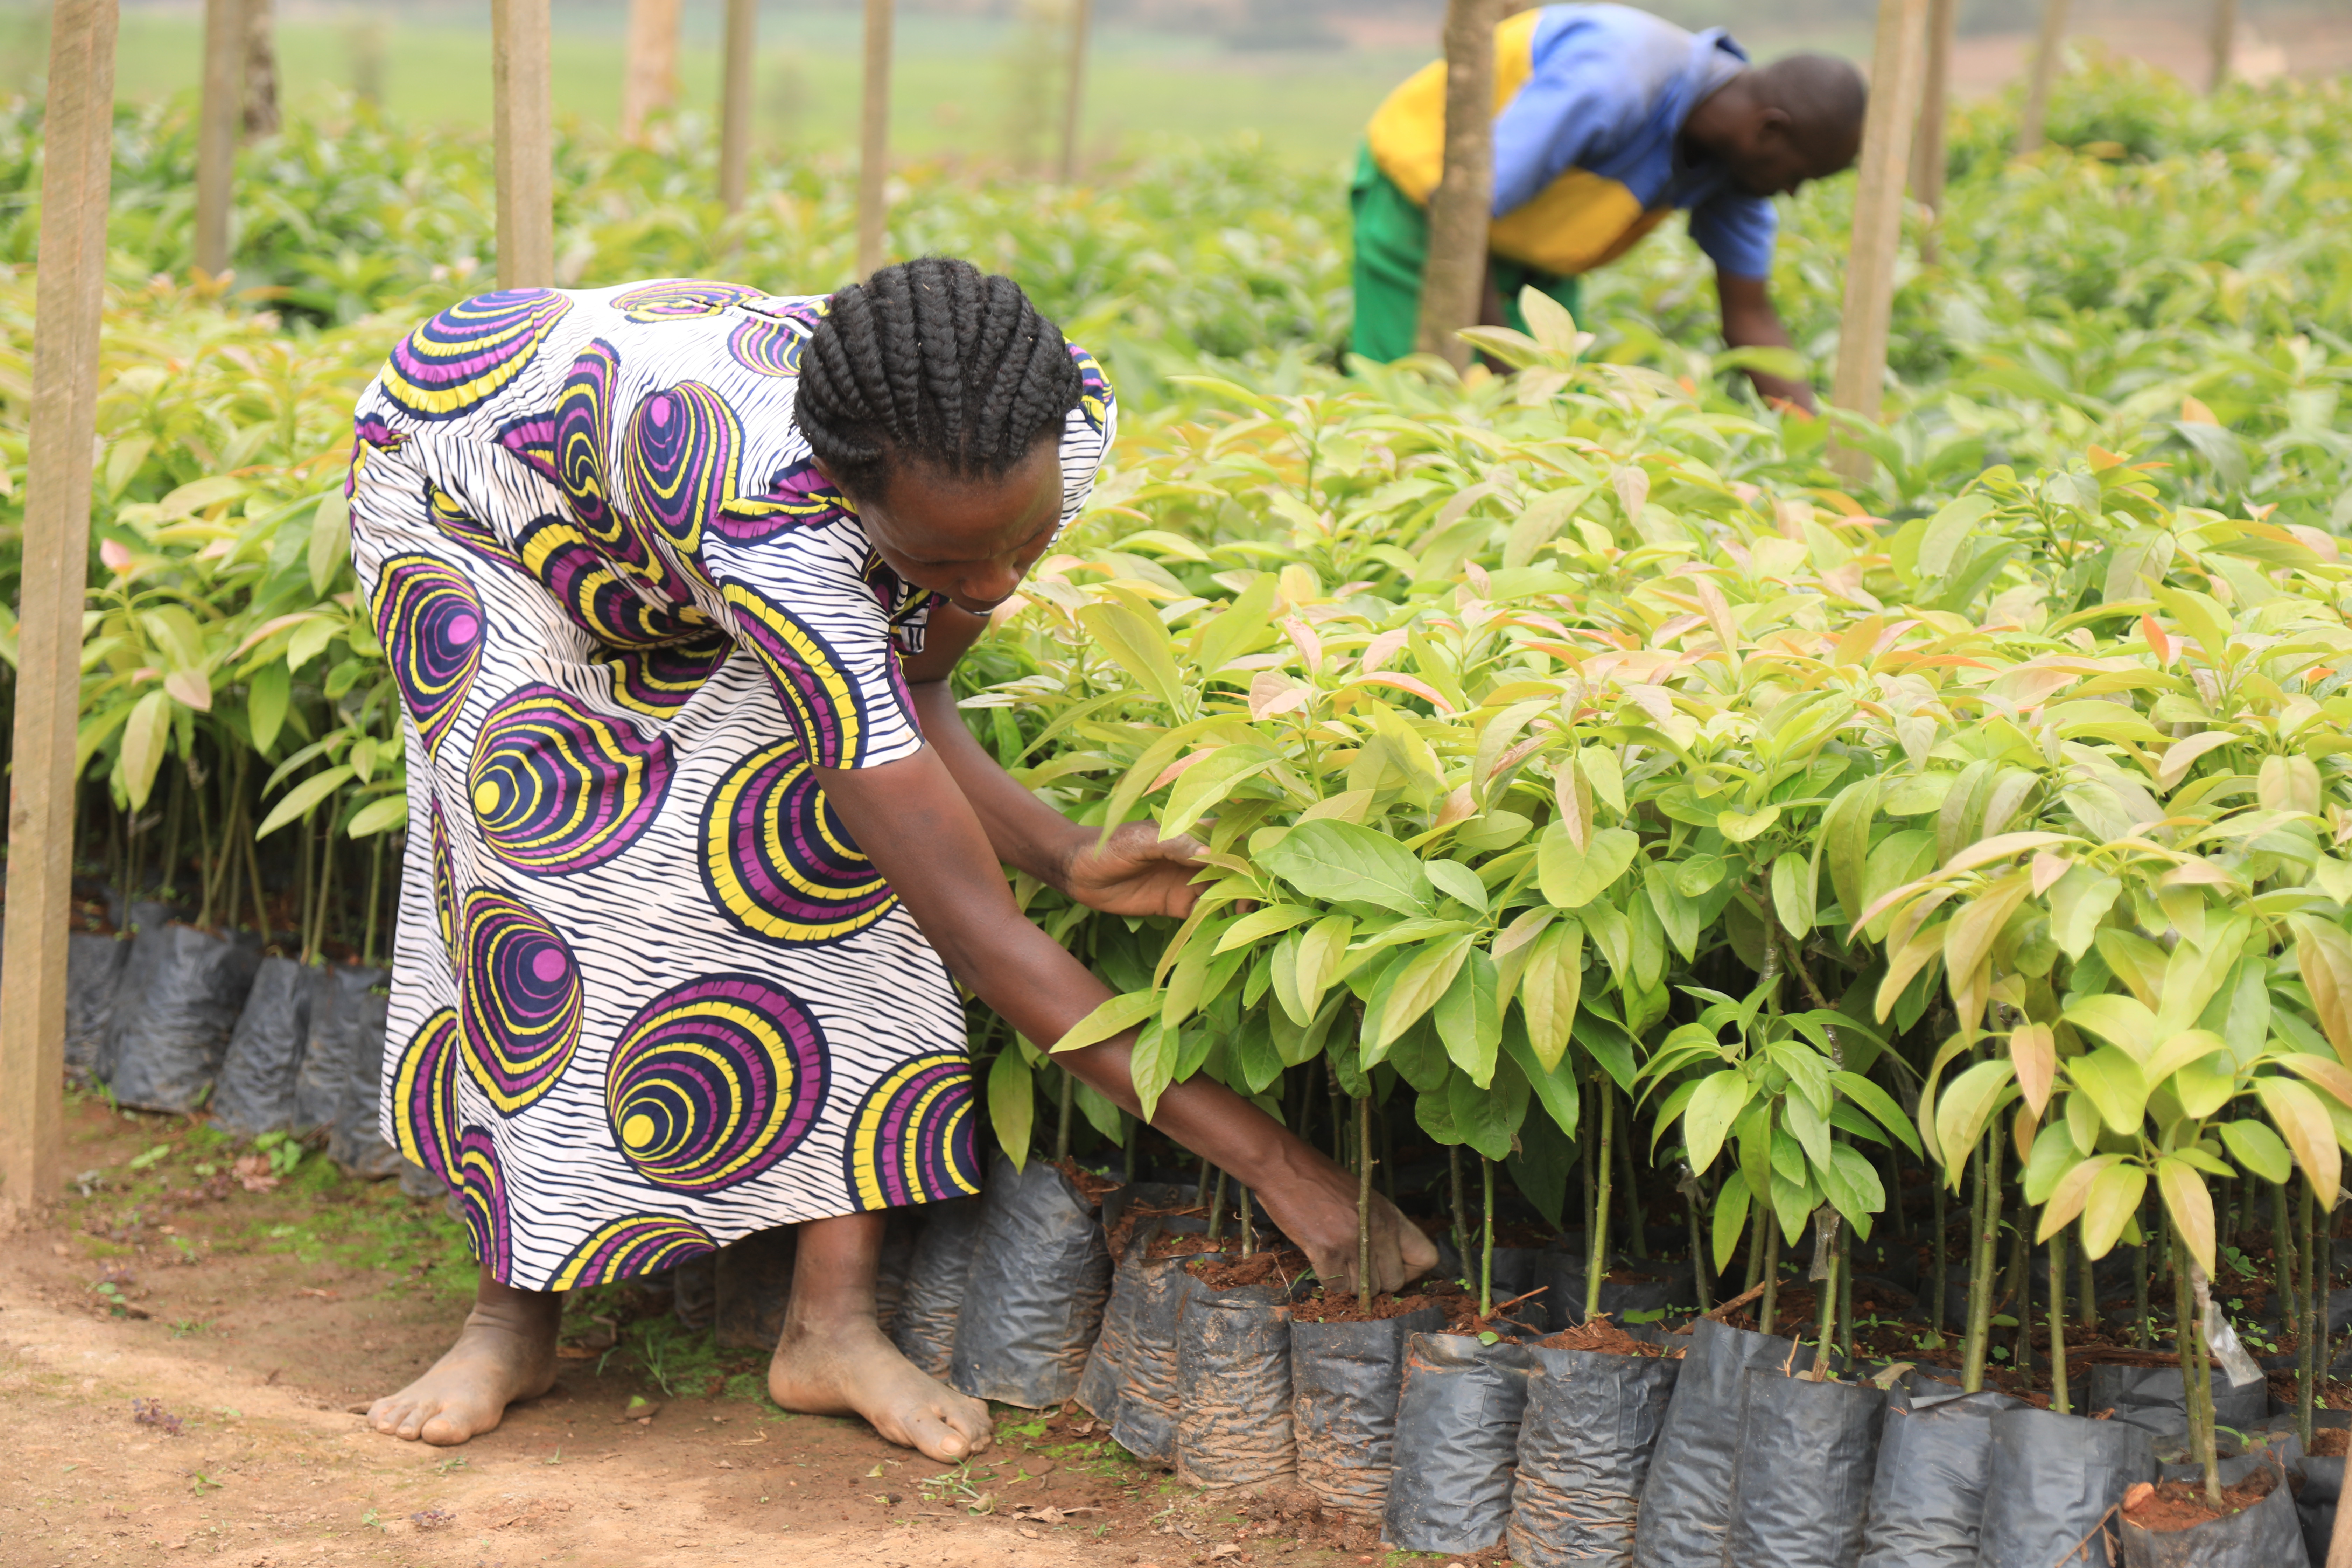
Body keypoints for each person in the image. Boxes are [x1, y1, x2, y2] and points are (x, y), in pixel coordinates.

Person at [345, 259, 1437, 1462]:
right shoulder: (780, 533)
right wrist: (1282, 1168)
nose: (996, 584)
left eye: (1020, 543)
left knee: (832, 856)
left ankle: (829, 1330)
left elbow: (907, 689)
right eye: (950, 562)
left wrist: (1066, 854)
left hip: (675, 472)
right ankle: (513, 1314)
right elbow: (976, 930)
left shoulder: (1046, 427)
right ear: (856, 505)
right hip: (471, 487)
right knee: (545, 875)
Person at [1351, 2, 1866, 408]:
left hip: (1534, 253)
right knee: (1416, 402)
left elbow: (1751, 320)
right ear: (1768, 130)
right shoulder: (1614, 77)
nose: (1794, 192)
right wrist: (1512, 368)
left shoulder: (1737, 176)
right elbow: (1463, 209)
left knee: (1556, 419)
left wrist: (1820, 448)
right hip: (1426, 211)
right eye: (1800, 175)